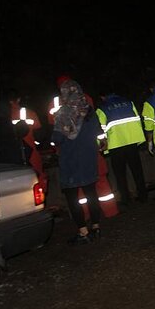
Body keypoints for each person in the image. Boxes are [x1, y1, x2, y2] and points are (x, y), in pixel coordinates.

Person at [52, 79, 105, 245]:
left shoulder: (62, 114)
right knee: (91, 194)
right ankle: (96, 227)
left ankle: (83, 232)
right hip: (88, 158)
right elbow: (98, 132)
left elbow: (57, 138)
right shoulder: (89, 111)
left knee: (73, 198)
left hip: (70, 161)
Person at [96, 91, 147, 204]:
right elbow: (138, 120)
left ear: (103, 96)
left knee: (120, 175)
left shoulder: (102, 109)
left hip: (115, 145)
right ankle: (143, 196)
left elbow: (100, 130)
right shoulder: (129, 103)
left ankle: (126, 199)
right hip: (132, 141)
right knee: (137, 171)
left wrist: (101, 145)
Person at [7, 89, 48, 191]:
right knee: (37, 178)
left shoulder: (4, 117)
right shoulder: (30, 113)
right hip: (31, 152)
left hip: (11, 155)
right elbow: (40, 133)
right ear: (19, 99)